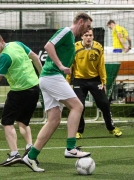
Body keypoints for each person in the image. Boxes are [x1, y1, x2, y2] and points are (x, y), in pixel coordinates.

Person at [22, 12, 93, 172]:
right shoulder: (66, 32)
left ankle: (30, 156)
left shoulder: (72, 40)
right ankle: (70, 147)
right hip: (51, 76)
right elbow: (48, 46)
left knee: (53, 120)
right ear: (80, 22)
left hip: (50, 78)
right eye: (87, 26)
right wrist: (61, 66)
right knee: (77, 107)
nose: (88, 30)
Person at [0, 32, 43, 166]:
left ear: (1, 41)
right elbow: (35, 57)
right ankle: (29, 148)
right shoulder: (17, 44)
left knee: (7, 122)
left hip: (20, 92)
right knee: (23, 121)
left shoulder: (5, 57)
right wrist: (42, 76)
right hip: (34, 88)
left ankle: (14, 154)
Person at [66, 27, 122, 139]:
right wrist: (67, 82)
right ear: (81, 36)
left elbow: (101, 66)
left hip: (94, 79)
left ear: (93, 36)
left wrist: (103, 82)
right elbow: (70, 66)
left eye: (90, 35)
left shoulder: (98, 47)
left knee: (104, 104)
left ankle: (111, 128)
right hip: (79, 80)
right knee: (79, 106)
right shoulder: (75, 47)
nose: (88, 38)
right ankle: (79, 130)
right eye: (86, 35)